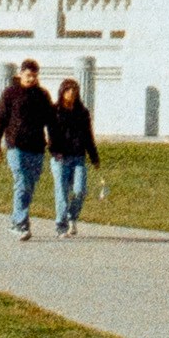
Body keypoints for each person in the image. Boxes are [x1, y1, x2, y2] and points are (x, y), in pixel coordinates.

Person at [0, 56, 49, 238]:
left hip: (37, 147)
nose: (31, 79)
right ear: (20, 74)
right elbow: (0, 119)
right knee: (22, 183)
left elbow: (51, 120)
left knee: (29, 185)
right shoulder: (10, 93)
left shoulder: (42, 95)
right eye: (28, 75)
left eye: (34, 75)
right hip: (16, 146)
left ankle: (17, 220)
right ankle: (21, 224)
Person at [45, 72, 101, 235]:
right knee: (61, 192)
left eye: (74, 91)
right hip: (60, 158)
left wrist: (94, 157)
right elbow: (51, 133)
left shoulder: (82, 112)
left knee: (80, 190)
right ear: (62, 92)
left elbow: (88, 136)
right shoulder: (54, 111)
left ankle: (72, 217)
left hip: (78, 157)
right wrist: (54, 150)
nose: (71, 94)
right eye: (68, 90)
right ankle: (61, 225)